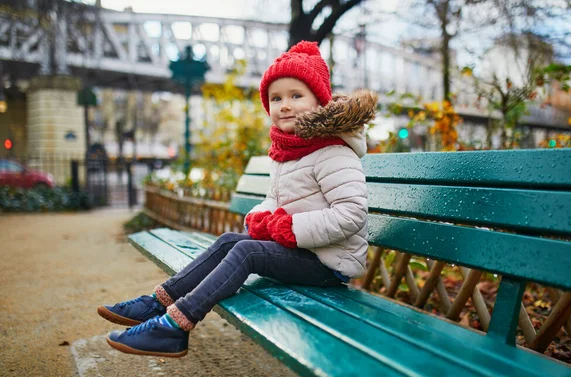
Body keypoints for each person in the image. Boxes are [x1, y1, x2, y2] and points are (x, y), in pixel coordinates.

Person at [97, 41, 378, 358]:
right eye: (276, 98)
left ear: (319, 100)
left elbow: (352, 215)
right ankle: (157, 302)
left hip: (329, 264)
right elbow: (276, 200)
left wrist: (289, 228)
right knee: (233, 238)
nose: (285, 105)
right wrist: (260, 218)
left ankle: (174, 327)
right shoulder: (289, 152)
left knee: (247, 250)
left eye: (296, 96)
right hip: (305, 251)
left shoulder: (333, 152)